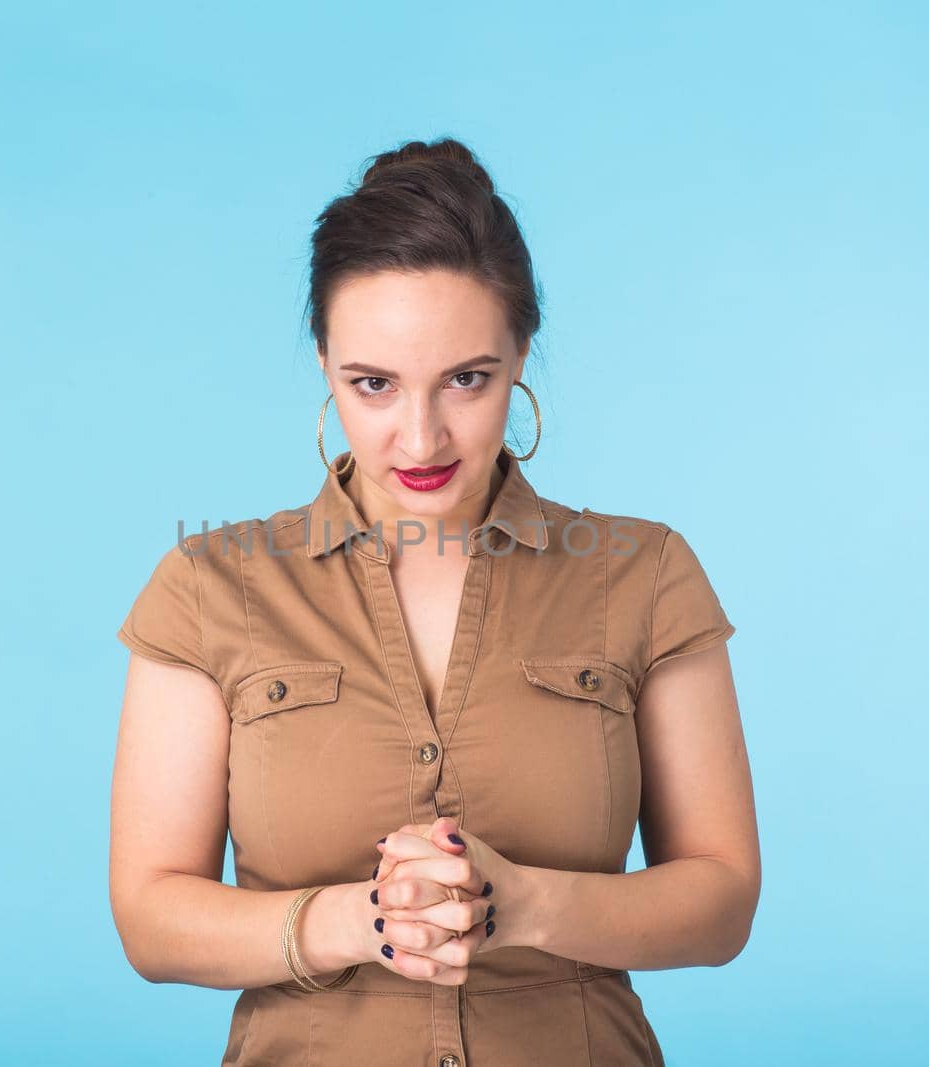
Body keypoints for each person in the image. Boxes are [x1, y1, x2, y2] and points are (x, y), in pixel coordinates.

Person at [109, 137, 760, 1066]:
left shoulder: (645, 573)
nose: (421, 437)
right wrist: (363, 921)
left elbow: (723, 900)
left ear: (521, 355)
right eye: (372, 384)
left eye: (467, 378)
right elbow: (151, 918)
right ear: (325, 363)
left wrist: (524, 906)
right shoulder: (211, 586)